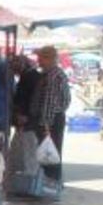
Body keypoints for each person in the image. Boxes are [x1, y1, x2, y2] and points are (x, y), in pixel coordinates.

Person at [31, 45, 71, 183]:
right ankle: (52, 181)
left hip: (51, 120)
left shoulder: (52, 76)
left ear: (48, 59)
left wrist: (46, 125)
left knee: (49, 152)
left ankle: (51, 182)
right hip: (55, 118)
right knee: (52, 151)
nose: (39, 61)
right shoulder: (56, 73)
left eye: (40, 58)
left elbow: (49, 102)